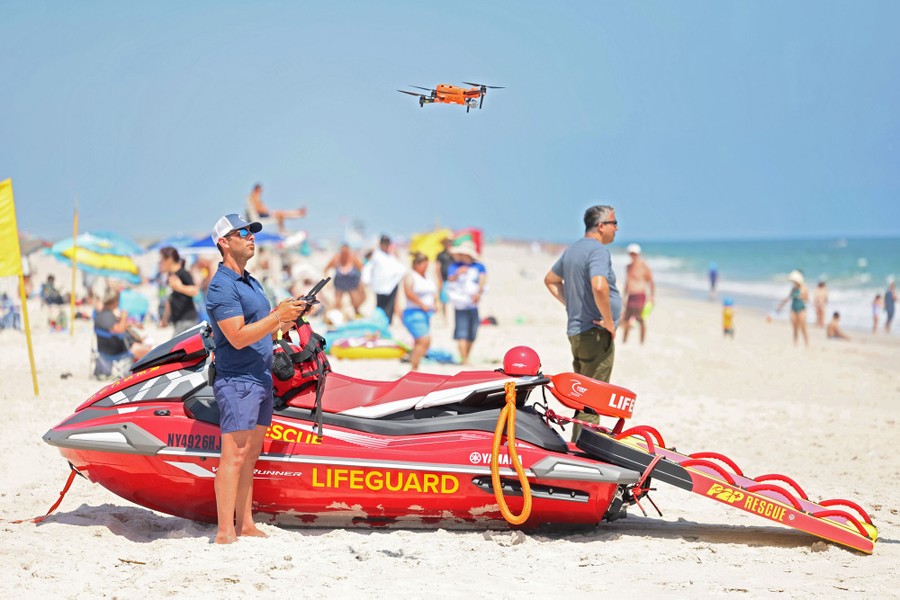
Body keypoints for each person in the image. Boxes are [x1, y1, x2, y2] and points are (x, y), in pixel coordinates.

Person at [205, 213, 307, 544]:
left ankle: (245, 523)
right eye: (242, 233)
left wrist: (286, 320)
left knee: (250, 456)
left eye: (252, 233)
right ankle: (224, 532)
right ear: (224, 242)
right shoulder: (221, 286)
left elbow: (262, 327)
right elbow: (236, 336)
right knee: (233, 457)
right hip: (237, 380)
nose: (251, 237)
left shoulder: (251, 281)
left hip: (260, 376)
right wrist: (276, 315)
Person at [544, 205, 621, 441]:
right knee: (593, 399)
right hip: (595, 333)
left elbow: (551, 280)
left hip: (578, 332)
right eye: (614, 223)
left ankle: (578, 445)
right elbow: (599, 285)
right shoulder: (597, 251)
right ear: (600, 226)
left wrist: (572, 304)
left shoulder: (573, 249)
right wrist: (609, 322)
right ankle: (584, 451)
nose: (616, 229)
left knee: (584, 395)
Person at [445, 241, 486, 364]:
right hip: (460, 304)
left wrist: (478, 293)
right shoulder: (454, 266)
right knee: (462, 332)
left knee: (472, 331)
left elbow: (482, 280)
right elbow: (449, 280)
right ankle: (464, 359)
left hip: (473, 304)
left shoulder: (479, 266)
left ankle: (467, 356)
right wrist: (458, 273)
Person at [402, 252, 437, 370]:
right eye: (424, 265)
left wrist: (435, 304)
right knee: (423, 340)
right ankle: (414, 368)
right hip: (414, 312)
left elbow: (433, 292)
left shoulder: (427, 277)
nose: (426, 267)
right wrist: (422, 304)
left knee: (425, 342)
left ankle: (414, 362)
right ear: (417, 264)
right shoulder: (410, 276)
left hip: (426, 313)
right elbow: (408, 293)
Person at [94, 291, 151, 362]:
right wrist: (124, 317)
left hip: (112, 348)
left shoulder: (103, 314)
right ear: (115, 302)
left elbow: (116, 328)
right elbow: (119, 330)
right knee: (152, 352)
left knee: (148, 346)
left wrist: (131, 324)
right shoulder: (106, 316)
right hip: (117, 352)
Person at [362, 235, 406, 324]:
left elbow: (398, 267)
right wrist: (366, 281)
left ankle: (388, 322)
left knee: (390, 305)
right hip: (380, 285)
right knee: (380, 305)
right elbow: (369, 268)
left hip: (391, 284)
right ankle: (380, 322)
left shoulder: (391, 255)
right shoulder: (377, 255)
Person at [159, 246, 199, 336]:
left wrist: (180, 287)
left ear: (169, 259)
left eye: (162, 260)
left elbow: (195, 290)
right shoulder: (170, 275)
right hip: (178, 321)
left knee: (175, 348)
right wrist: (165, 319)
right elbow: (170, 299)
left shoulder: (183, 273)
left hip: (187, 320)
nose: (160, 263)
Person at [620, 243, 655, 344]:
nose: (632, 255)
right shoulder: (628, 267)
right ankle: (624, 340)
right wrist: (624, 295)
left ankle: (642, 341)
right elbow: (627, 282)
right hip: (631, 295)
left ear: (638, 254)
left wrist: (652, 296)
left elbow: (651, 282)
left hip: (640, 295)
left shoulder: (644, 266)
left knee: (641, 319)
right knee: (626, 318)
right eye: (631, 253)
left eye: (634, 254)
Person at [324, 244, 364, 318]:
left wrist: (360, 282)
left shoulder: (353, 258)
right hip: (339, 283)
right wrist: (327, 282)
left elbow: (362, 269)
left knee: (355, 302)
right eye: (343, 252)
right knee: (337, 302)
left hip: (352, 283)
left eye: (346, 252)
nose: (345, 254)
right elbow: (326, 268)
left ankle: (357, 315)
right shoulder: (336, 258)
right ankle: (337, 316)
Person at [777, 270, 809, 347]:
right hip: (793, 308)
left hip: (801, 308)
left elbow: (807, 299)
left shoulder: (804, 287)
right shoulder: (793, 288)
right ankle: (795, 344)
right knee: (795, 328)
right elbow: (788, 298)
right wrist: (781, 305)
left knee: (803, 327)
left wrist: (801, 296)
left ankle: (806, 344)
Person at [435, 236, 455, 320]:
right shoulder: (440, 255)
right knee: (443, 299)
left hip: (453, 280)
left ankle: (451, 317)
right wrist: (439, 279)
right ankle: (445, 317)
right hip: (444, 279)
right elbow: (437, 267)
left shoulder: (453, 255)